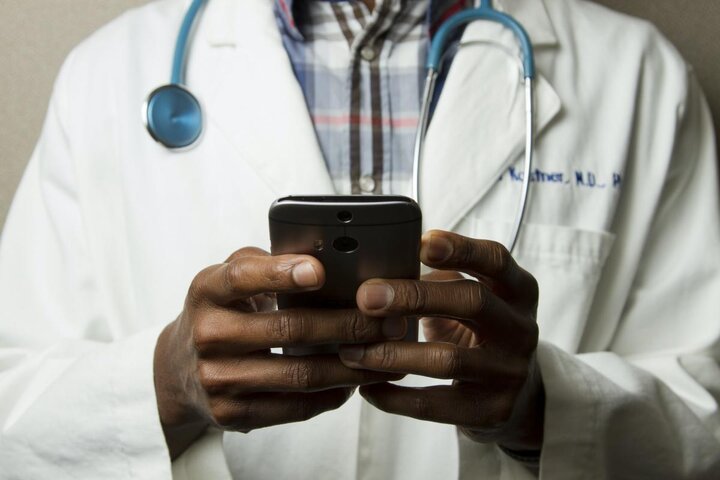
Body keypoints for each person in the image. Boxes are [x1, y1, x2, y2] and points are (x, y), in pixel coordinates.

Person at [0, 0, 719, 478]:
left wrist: (544, 405)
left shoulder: (640, 77)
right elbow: (13, 411)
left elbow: (705, 412)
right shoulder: (107, 75)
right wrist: (166, 383)